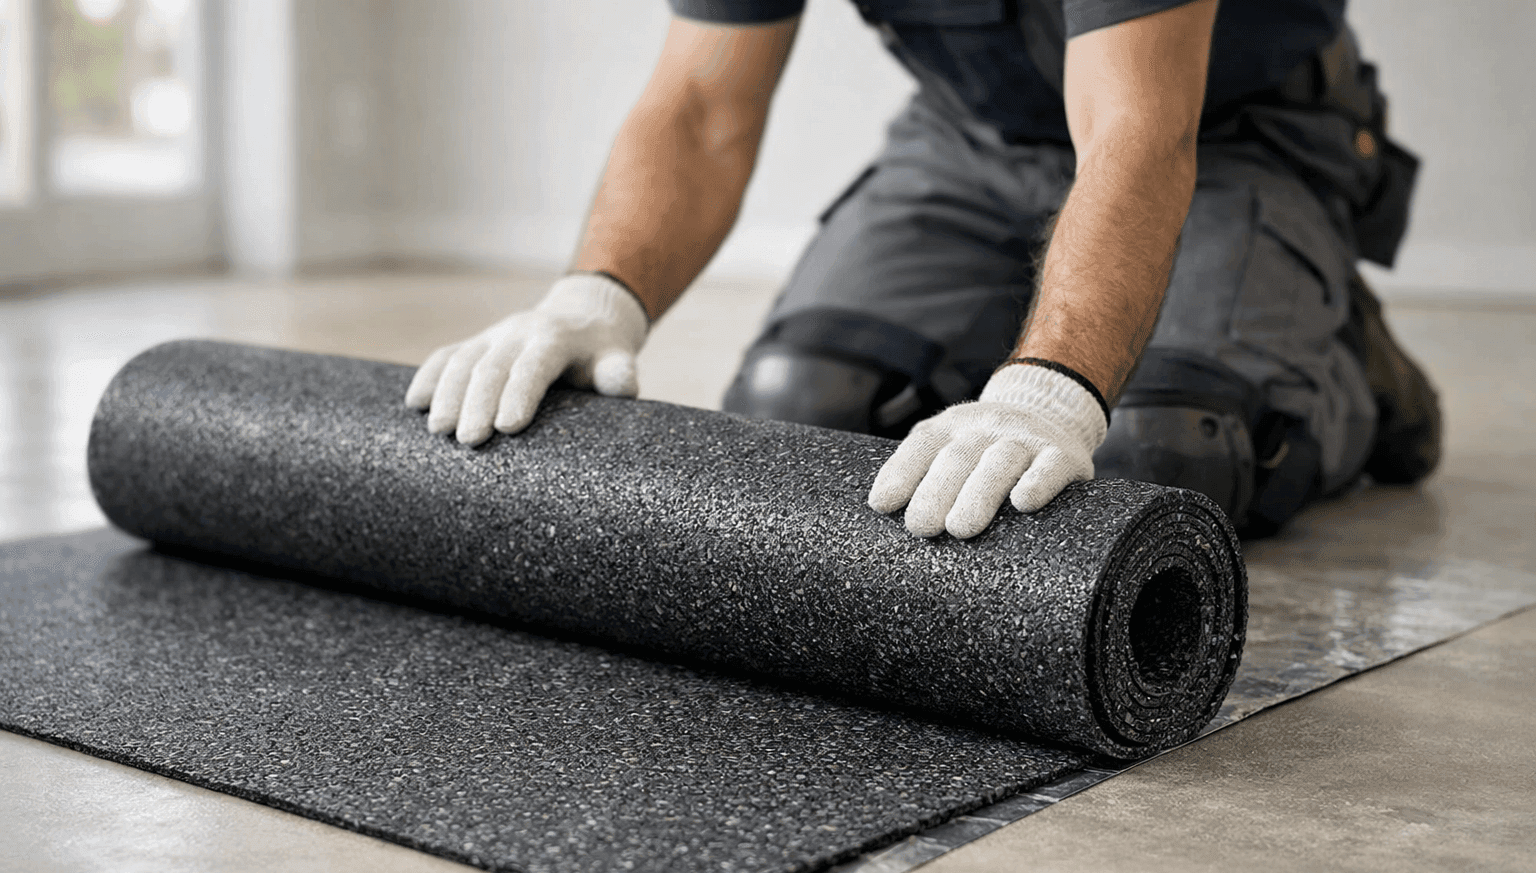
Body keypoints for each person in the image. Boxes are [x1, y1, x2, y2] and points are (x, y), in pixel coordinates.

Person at [406, 0, 1440, 539]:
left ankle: (1346, 353)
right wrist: (595, 297)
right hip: (970, 143)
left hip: (1226, 135)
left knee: (1166, 450)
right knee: (803, 408)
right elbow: (701, 102)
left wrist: (1051, 390)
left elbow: (1137, 132)